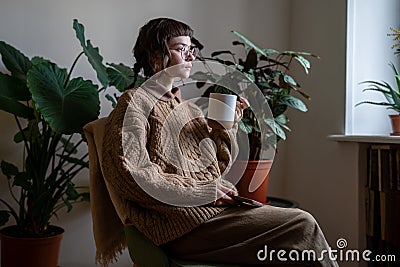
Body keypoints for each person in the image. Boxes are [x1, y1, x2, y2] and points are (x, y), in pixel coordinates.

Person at [100, 17, 338, 267]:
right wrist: (201, 193)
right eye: (182, 49)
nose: (191, 56)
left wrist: (225, 128)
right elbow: (129, 174)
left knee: (294, 247)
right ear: (155, 56)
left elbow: (215, 170)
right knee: (303, 225)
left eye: (192, 49)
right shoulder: (134, 102)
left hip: (209, 217)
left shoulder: (187, 110)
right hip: (178, 227)